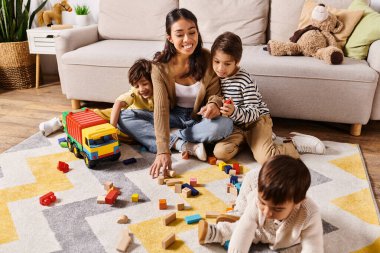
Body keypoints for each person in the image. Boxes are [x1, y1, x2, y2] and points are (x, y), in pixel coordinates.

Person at [119, 8, 234, 178]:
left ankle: (174, 136)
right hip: (173, 115)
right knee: (124, 117)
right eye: (180, 34)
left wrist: (213, 105)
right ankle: (182, 145)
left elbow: (216, 96)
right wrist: (162, 151)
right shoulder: (158, 67)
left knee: (225, 125)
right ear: (170, 38)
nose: (187, 39)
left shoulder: (208, 58)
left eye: (192, 32)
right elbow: (161, 109)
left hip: (199, 119)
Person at [211, 32, 326, 165]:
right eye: (217, 61)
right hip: (237, 126)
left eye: (227, 64)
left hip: (256, 122)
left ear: (237, 62)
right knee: (220, 153)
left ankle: (294, 144)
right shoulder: (217, 77)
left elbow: (254, 112)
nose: (220, 68)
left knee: (266, 158)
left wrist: (233, 112)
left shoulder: (245, 80)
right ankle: (254, 143)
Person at [198, 155, 324, 253]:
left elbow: (313, 246)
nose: (267, 212)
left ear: (298, 202)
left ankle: (239, 217)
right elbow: (245, 228)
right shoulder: (256, 202)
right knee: (243, 227)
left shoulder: (309, 213)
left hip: (284, 237)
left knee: (255, 231)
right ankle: (219, 230)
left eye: (278, 208)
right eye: (263, 203)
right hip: (259, 225)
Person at [93, 59, 154, 143]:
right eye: (137, 86)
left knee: (130, 133)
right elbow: (118, 103)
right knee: (98, 115)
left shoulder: (159, 92)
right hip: (124, 113)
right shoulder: (134, 92)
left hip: (136, 119)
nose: (141, 89)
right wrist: (112, 128)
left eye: (145, 84)